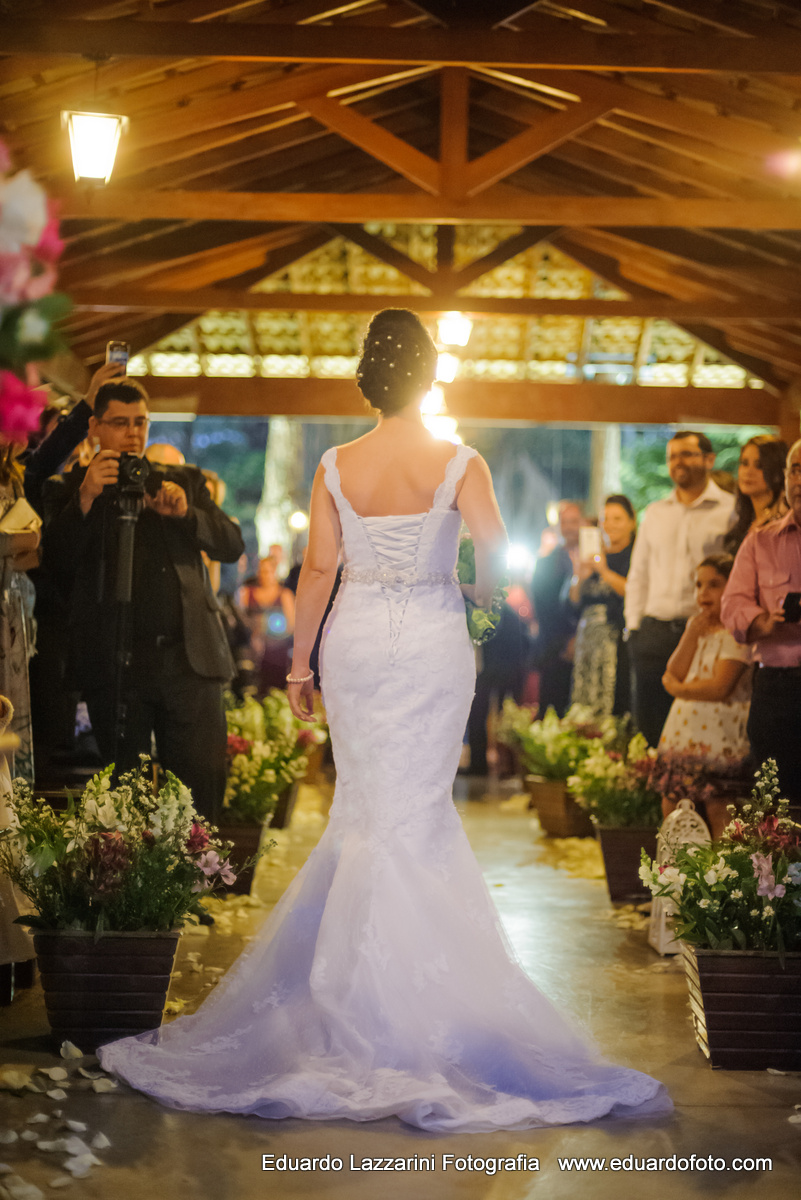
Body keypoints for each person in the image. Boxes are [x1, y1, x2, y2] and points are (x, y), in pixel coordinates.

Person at [99, 308, 670, 1131]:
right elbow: (491, 552)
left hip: (358, 642)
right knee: (417, 812)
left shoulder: (336, 463)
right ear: (428, 376)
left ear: (368, 377)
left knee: (364, 811)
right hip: (433, 641)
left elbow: (318, 569)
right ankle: (414, 1004)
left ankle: (347, 998)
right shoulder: (460, 461)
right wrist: (473, 605)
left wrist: (301, 663)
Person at [42, 377, 244, 822]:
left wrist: (186, 513)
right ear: (95, 427)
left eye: (140, 422)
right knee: (123, 805)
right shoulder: (71, 488)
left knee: (199, 795)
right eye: (120, 423)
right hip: (115, 667)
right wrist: (87, 496)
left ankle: (197, 869)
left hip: (189, 662)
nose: (133, 433)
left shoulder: (180, 481)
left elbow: (232, 545)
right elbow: (54, 564)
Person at [624, 431, 734, 748]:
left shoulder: (729, 511)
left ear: (709, 460)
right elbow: (639, 573)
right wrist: (634, 628)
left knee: (698, 726)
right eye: (672, 456)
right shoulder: (656, 513)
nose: (677, 462)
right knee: (649, 728)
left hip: (704, 632)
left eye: (686, 454)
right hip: (654, 632)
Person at [721, 438, 801, 807]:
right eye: (795, 470)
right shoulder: (761, 541)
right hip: (777, 686)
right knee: (776, 799)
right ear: (784, 478)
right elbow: (732, 603)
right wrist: (762, 623)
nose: (800, 480)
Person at [659, 555, 752, 838]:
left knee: (719, 810)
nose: (703, 593)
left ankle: (722, 866)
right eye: (699, 585)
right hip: (682, 737)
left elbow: (720, 687)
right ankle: (676, 866)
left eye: (714, 584)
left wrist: (679, 690)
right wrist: (690, 635)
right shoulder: (697, 627)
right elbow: (674, 670)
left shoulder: (737, 631)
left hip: (719, 739)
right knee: (672, 807)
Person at [568, 494, 637, 720]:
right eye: (605, 518)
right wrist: (580, 576)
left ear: (631, 522)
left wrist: (604, 572)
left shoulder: (636, 556)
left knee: (614, 699)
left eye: (617, 519)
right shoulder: (593, 556)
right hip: (587, 641)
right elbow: (572, 603)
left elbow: (634, 592)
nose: (610, 524)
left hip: (618, 641)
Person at [531, 500, 583, 716]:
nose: (569, 527)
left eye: (574, 521)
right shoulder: (545, 563)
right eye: (564, 522)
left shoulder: (597, 559)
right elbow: (542, 608)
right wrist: (565, 642)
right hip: (555, 651)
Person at [238, 554, 295, 693]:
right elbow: (241, 620)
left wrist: (271, 632)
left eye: (267, 571)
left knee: (275, 689)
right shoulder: (247, 592)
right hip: (252, 650)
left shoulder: (284, 594)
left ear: (274, 571)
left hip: (277, 651)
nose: (263, 575)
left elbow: (291, 625)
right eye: (261, 571)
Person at [723, 435, 788, 557]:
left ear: (777, 472)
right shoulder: (745, 520)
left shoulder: (785, 524)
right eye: (744, 463)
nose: (748, 472)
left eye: (759, 466)